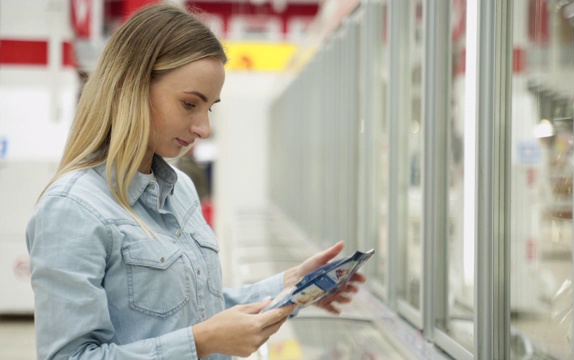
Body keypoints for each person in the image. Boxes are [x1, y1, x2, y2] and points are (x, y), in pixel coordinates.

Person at [26, 4, 364, 360]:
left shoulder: (180, 190)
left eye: (209, 109)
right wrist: (200, 343)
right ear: (133, 86)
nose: (203, 128)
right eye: (190, 104)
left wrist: (289, 286)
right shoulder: (72, 209)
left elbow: (196, 314)